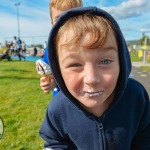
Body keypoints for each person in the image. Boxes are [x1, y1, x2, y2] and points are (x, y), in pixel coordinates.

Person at [39, 7, 150, 149]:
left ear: (121, 62)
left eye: (105, 61)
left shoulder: (136, 97)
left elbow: (145, 138)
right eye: (75, 64)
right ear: (58, 70)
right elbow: (55, 143)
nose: (91, 79)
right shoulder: (58, 109)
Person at [40, 0, 83, 96]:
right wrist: (50, 82)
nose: (65, 23)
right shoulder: (51, 48)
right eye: (59, 18)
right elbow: (49, 73)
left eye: (71, 17)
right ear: (52, 23)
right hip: (62, 98)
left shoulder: (89, 43)